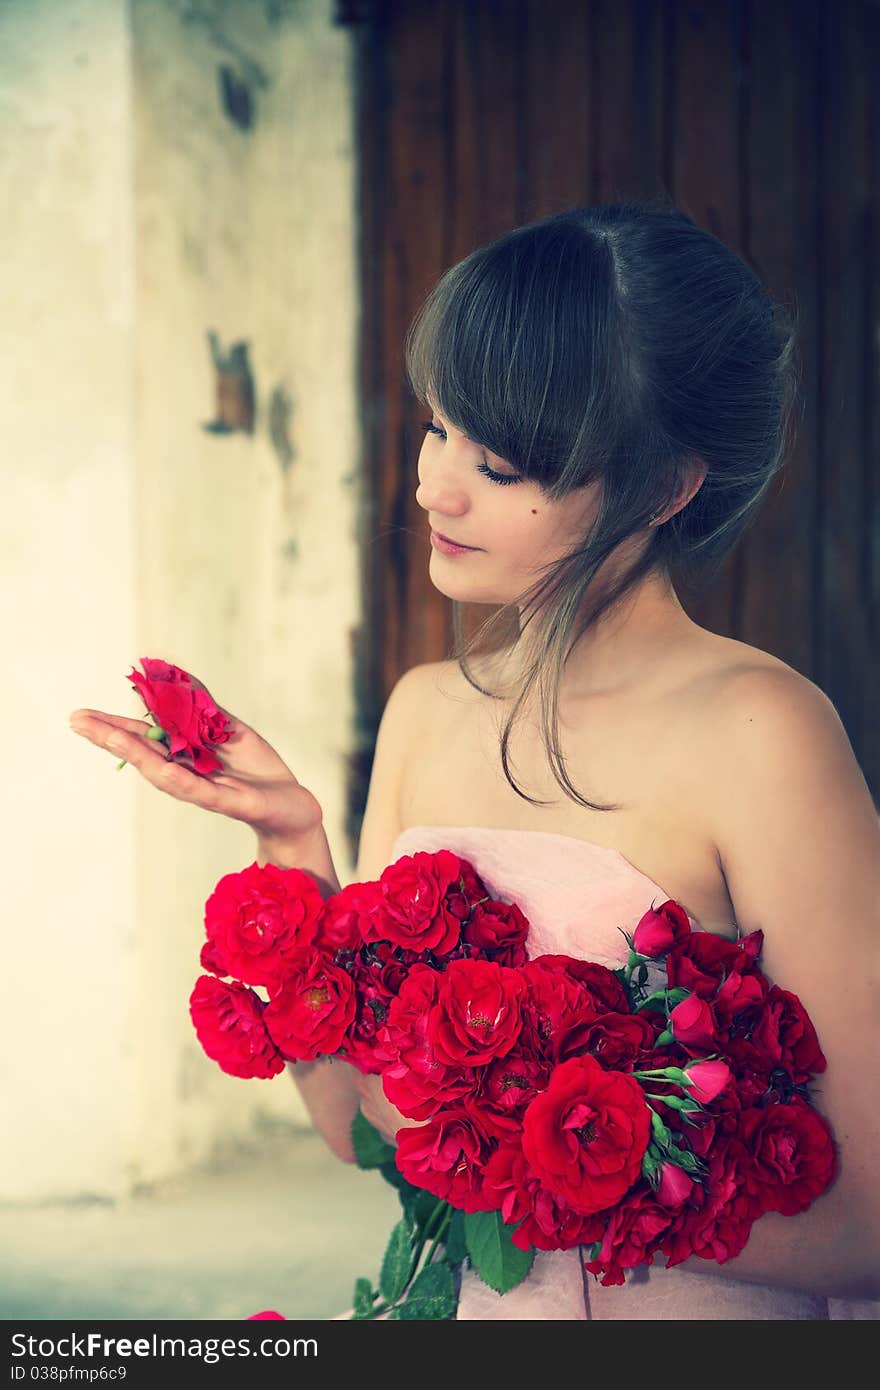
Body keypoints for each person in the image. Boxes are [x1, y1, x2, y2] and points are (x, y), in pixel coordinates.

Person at [70, 199, 880, 1319]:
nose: (432, 486)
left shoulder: (764, 732)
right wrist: (292, 844)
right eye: (436, 426)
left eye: (496, 464)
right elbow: (364, 1136)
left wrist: (548, 1171)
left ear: (663, 488)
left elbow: (867, 1225)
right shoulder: (423, 711)